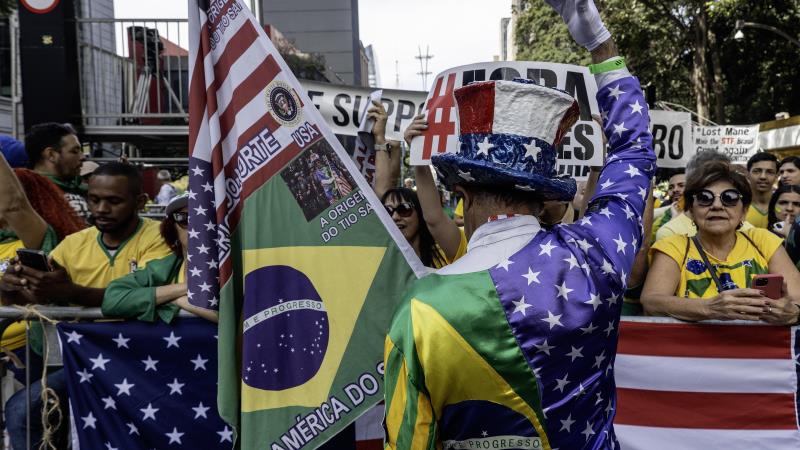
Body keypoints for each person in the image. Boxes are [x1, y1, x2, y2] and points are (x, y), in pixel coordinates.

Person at [383, 2, 655, 447]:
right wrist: (599, 44)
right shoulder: (596, 255)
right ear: (546, 195)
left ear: (463, 197)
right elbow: (634, 153)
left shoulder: (420, 308)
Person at [1, 162, 172, 449]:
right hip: (86, 361)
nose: (101, 209)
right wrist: (12, 288)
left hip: (143, 361)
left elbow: (141, 295)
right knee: (22, 411)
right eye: (94, 200)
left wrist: (72, 292)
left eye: (113, 201)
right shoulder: (73, 244)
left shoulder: (160, 237)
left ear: (141, 202)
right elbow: (36, 295)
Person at [641, 161, 800, 323]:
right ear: (691, 210)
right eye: (704, 198)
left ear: (744, 211)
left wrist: (791, 311)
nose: (717, 205)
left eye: (729, 198)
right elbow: (652, 302)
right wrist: (710, 308)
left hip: (757, 346)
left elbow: (797, 300)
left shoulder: (763, 240)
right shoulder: (673, 246)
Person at [103, 194, 218, 322]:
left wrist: (169, 299)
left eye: (206, 217)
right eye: (184, 219)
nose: (196, 227)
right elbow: (112, 301)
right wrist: (187, 290)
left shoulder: (237, 265)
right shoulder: (164, 267)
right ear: (172, 229)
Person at [655, 151, 753, 241]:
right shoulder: (670, 234)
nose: (717, 205)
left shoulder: (752, 235)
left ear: (744, 209)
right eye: (706, 196)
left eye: (728, 196)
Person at [24, 122, 90, 220]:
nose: (83, 157)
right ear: (51, 155)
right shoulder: (28, 195)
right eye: (74, 151)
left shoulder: (85, 189)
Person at [746, 152, 778, 228]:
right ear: (747, 174)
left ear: (776, 176)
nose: (763, 177)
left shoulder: (786, 205)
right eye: (757, 171)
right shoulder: (737, 205)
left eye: (770, 172)